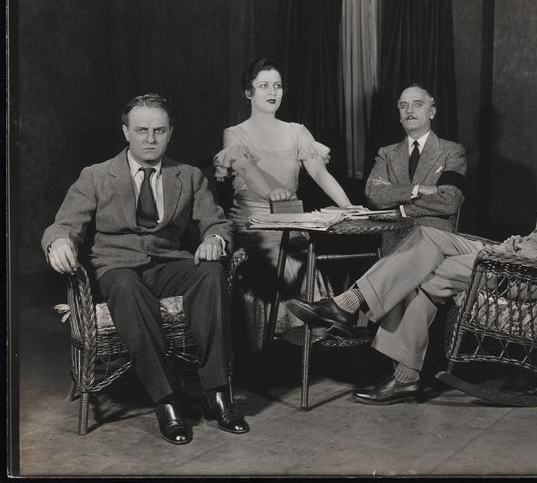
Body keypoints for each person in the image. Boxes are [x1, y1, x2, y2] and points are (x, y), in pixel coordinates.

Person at [287, 126, 537, 405]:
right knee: (426, 236)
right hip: (509, 255)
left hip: (528, 275)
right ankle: (347, 305)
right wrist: (521, 245)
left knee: (421, 272)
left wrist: (535, 256)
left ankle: (396, 365)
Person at [42, 93, 248, 445]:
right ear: (126, 132)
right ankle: (166, 399)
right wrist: (59, 243)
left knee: (211, 272)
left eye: (159, 131)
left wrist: (214, 239)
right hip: (116, 267)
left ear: (170, 133)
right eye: (141, 130)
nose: (150, 139)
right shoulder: (96, 176)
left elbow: (217, 223)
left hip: (168, 264)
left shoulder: (189, 176)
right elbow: (64, 225)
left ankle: (216, 392)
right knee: (125, 287)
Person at [213, 58, 353, 353]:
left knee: (305, 259)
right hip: (252, 219)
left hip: (291, 218)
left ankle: (308, 339)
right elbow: (245, 169)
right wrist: (270, 192)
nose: (272, 92)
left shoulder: (296, 131)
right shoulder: (235, 133)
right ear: (249, 92)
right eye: (263, 86)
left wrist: (348, 206)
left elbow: (320, 174)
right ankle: (269, 344)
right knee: (283, 262)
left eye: (277, 86)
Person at [366, 84, 467, 235]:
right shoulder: (386, 153)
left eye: (417, 104)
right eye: (403, 106)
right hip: (394, 237)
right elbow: (374, 195)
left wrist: (399, 206)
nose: (409, 111)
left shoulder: (452, 151)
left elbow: (450, 200)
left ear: (431, 112)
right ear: (400, 117)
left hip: (434, 236)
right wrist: (418, 190)